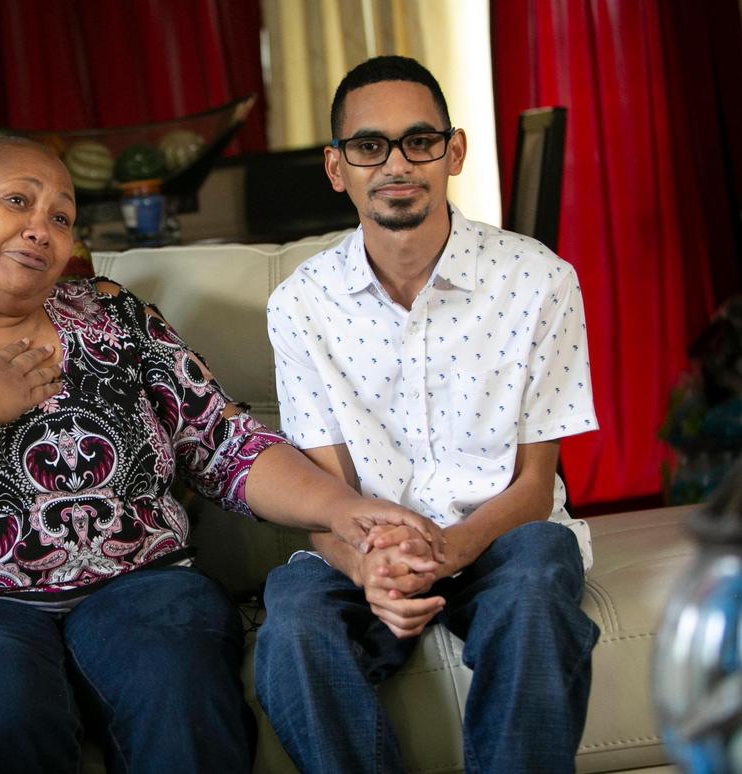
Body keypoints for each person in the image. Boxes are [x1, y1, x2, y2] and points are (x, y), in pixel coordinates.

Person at [0, 136, 443, 774]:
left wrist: (344, 510)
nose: (41, 229)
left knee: (176, 687)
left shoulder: (114, 318)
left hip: (140, 586)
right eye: (17, 201)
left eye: (61, 217)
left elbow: (225, 442)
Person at [254, 55, 601, 773]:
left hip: (500, 538)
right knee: (293, 615)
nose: (396, 164)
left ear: (454, 151)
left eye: (419, 141)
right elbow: (324, 503)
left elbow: (536, 488)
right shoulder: (300, 305)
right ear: (336, 167)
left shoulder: (540, 280)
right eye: (368, 146)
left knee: (539, 576)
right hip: (369, 550)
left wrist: (447, 549)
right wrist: (368, 566)